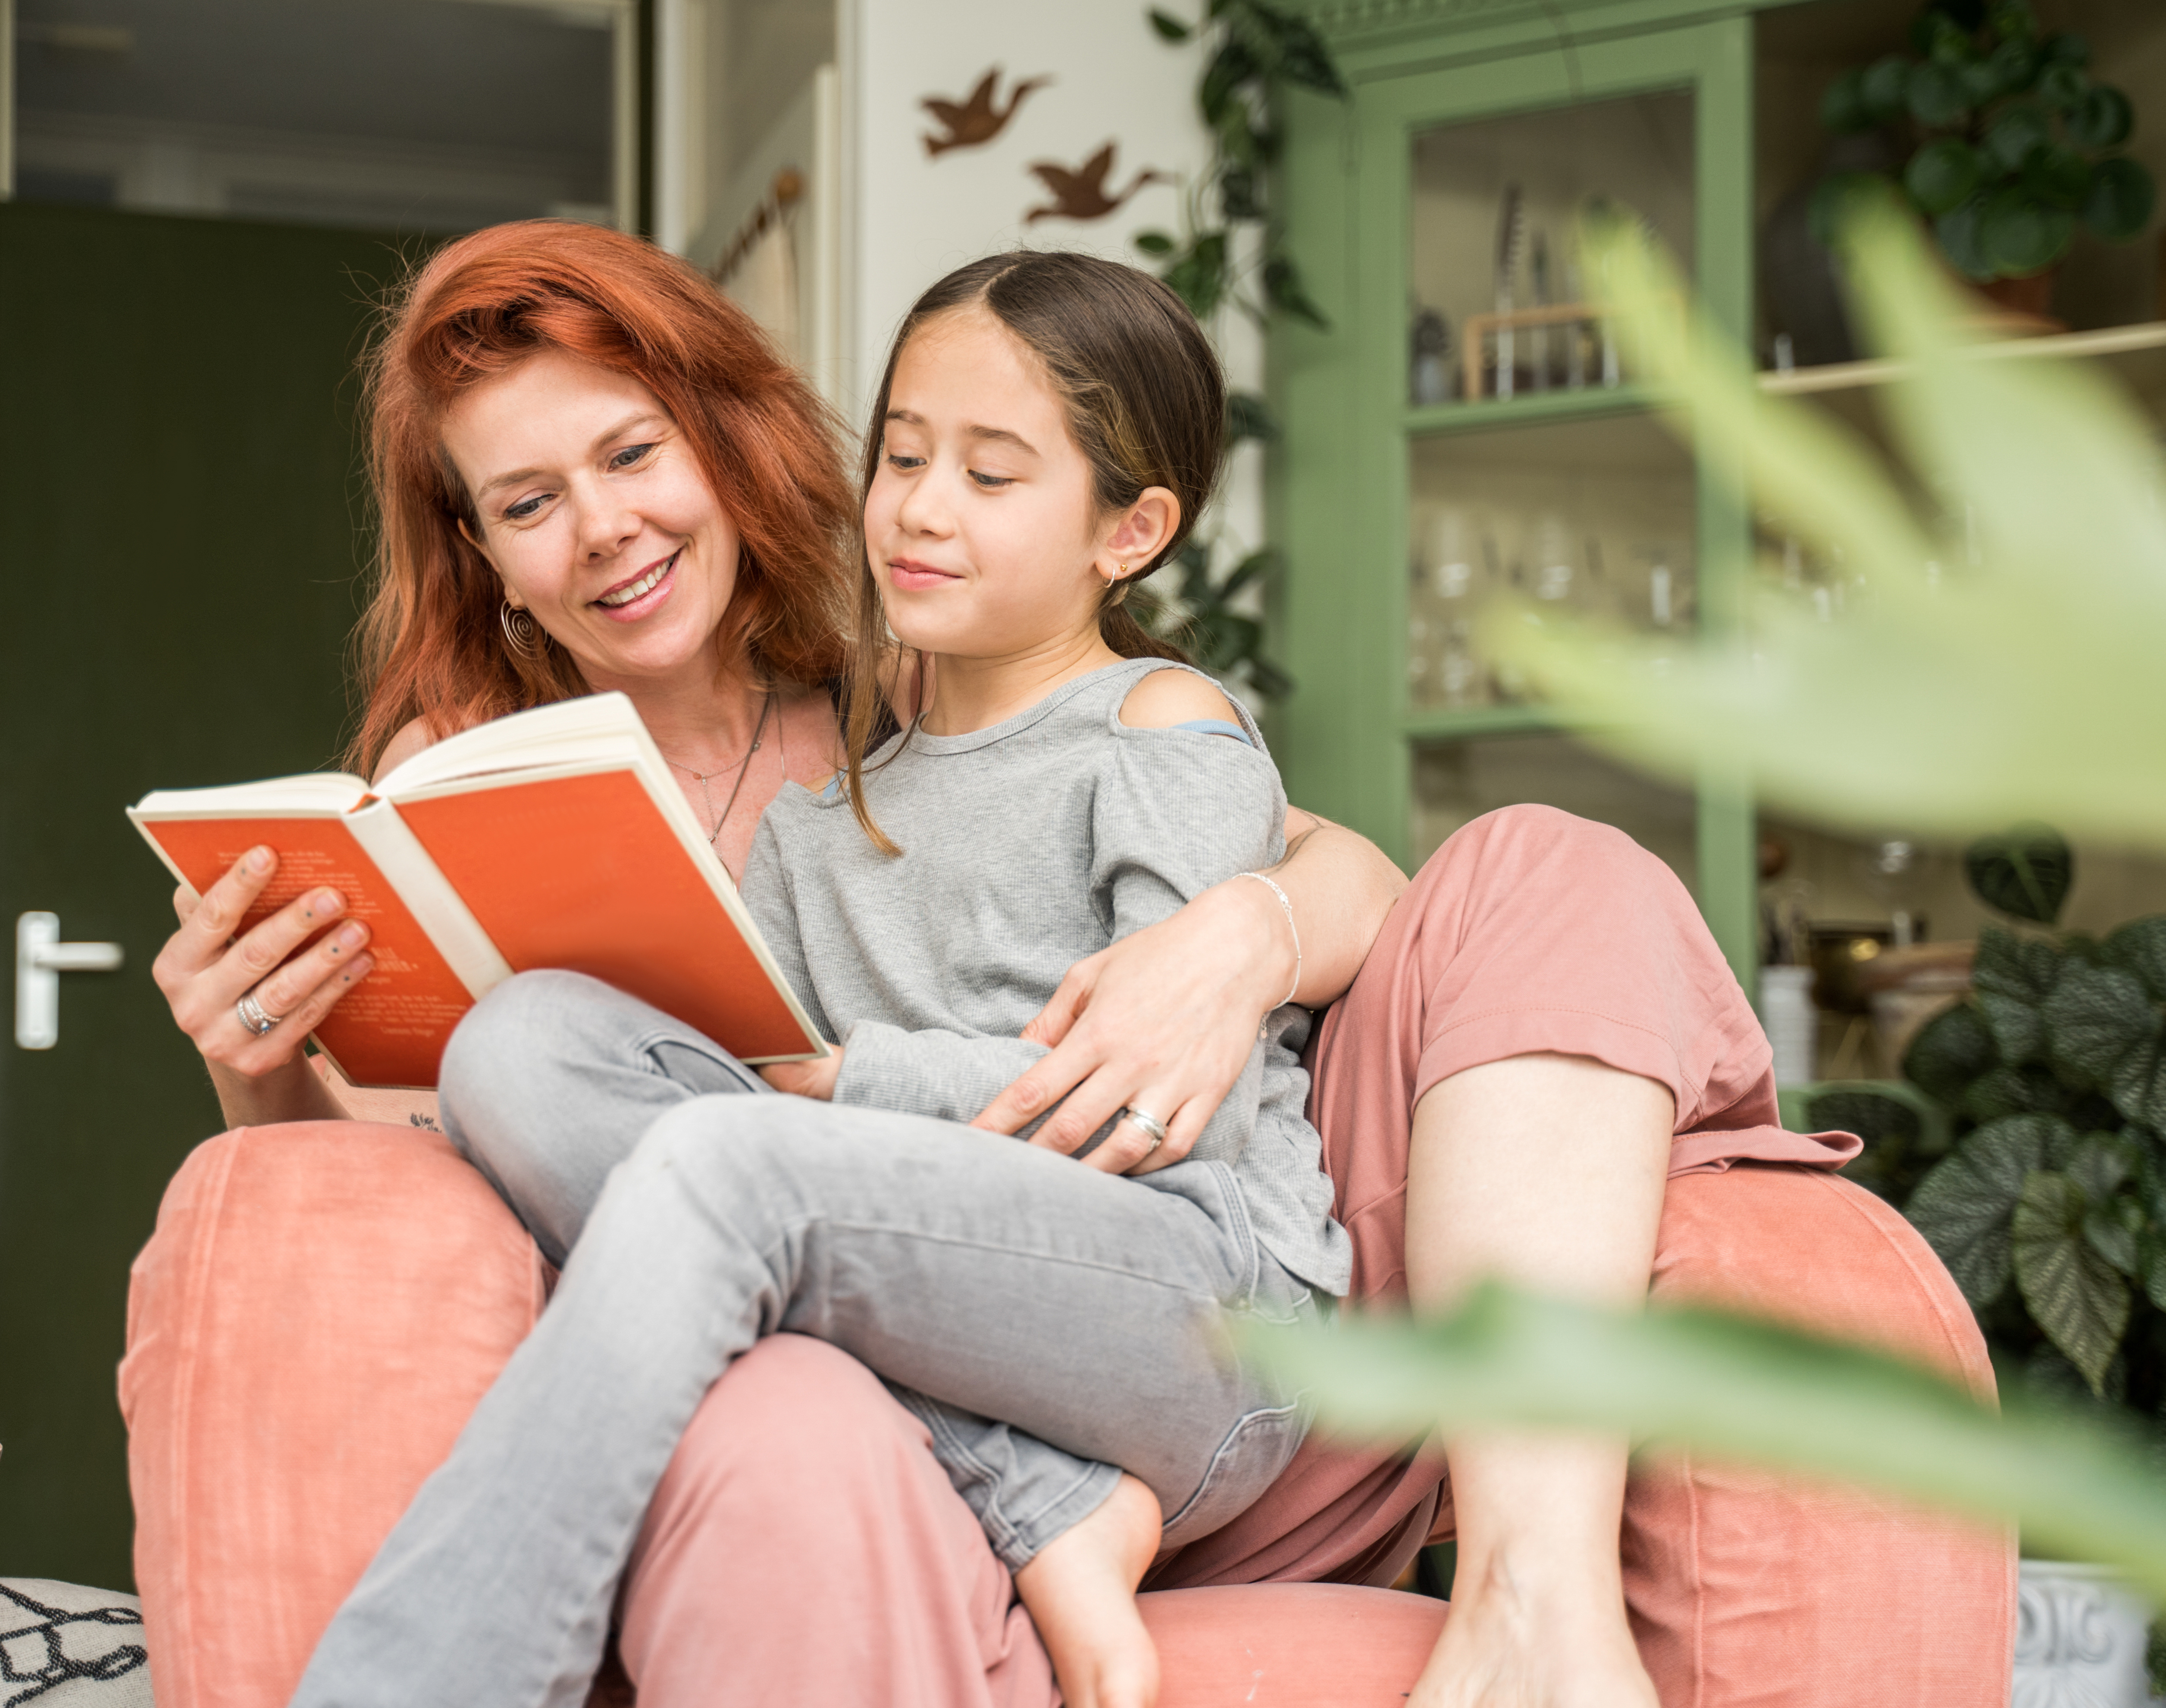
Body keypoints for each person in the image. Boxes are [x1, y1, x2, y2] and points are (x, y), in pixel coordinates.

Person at [128, 219, 2009, 1708]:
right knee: (526, 1046)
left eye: (631, 452)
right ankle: (1041, 1504)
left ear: (717, 440)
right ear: (483, 554)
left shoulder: (914, 710)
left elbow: (1305, 881)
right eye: (528, 502)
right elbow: (442, 1152)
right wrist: (266, 1066)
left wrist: (1241, 937)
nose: (603, 523)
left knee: (1535, 870)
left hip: (1149, 1278)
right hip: (882, 1303)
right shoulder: (524, 794)